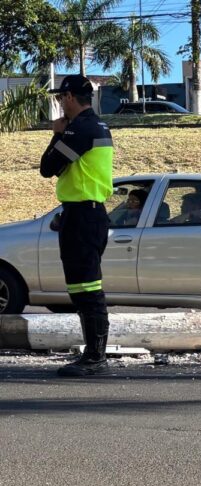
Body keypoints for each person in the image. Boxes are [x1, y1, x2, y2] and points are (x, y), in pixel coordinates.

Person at [39, 74, 114, 377]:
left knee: (87, 289)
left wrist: (57, 134)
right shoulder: (97, 126)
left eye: (60, 98)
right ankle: (93, 353)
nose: (59, 104)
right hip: (85, 212)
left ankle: (95, 356)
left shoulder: (80, 129)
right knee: (83, 288)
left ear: (69, 97)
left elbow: (48, 168)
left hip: (84, 215)